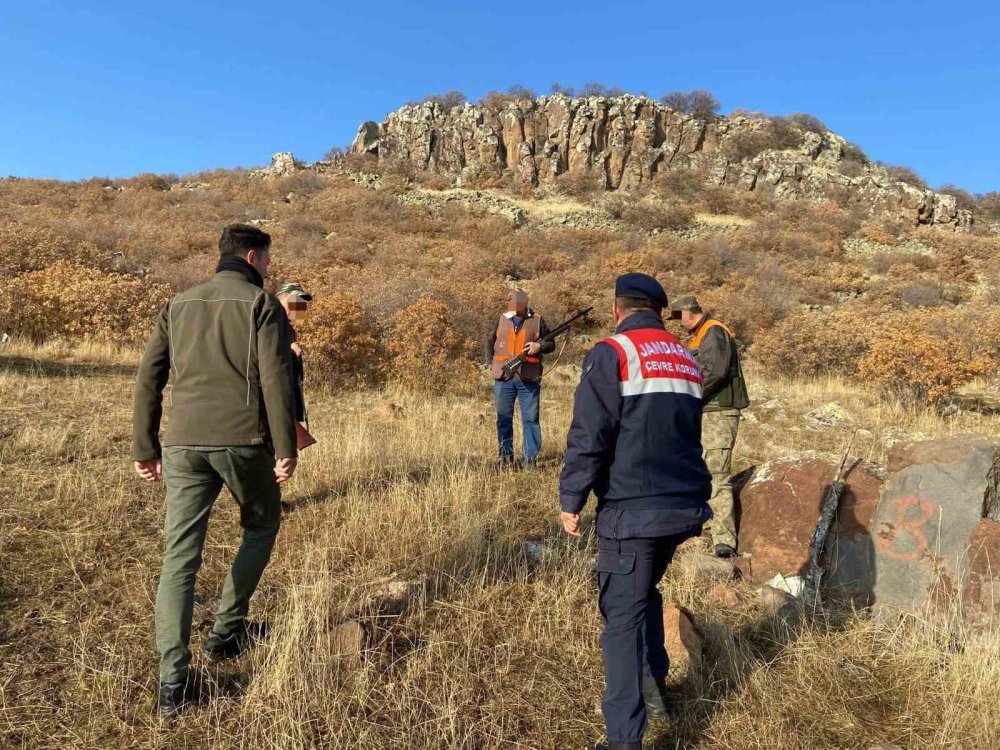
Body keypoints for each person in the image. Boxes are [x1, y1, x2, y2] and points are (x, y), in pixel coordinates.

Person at [133, 223, 298, 717]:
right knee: (263, 523)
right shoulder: (261, 304)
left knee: (179, 556)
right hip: (243, 438)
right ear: (252, 256)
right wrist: (286, 446)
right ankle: (227, 631)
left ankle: (172, 684)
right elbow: (275, 380)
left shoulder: (178, 303)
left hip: (181, 441)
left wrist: (146, 446)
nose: (269, 268)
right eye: (267, 260)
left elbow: (148, 377)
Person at [559, 273, 712, 750]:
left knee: (621, 619)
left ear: (616, 310)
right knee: (644, 592)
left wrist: (571, 498)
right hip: (682, 507)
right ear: (661, 312)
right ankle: (655, 686)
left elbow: (591, 433)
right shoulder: (686, 357)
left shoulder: (614, 352)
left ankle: (623, 739)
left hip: (633, 510)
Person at [669, 295, 749, 559]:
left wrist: (688, 395)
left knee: (717, 474)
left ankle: (724, 539)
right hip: (706, 411)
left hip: (719, 411)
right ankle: (705, 524)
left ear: (688, 312)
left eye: (678, 317)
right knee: (701, 470)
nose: (678, 324)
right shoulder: (701, 334)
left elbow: (714, 372)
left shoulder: (713, 331)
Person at [484, 288, 554, 469]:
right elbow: (489, 341)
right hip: (503, 377)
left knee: (530, 419)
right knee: (503, 419)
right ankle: (505, 460)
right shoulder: (501, 319)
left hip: (528, 377)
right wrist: (488, 362)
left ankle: (529, 461)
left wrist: (540, 346)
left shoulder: (538, 320)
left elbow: (551, 343)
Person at [275, 282, 316, 449]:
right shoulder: (272, 323)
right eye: (298, 301)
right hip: (274, 405)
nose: (303, 307)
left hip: (285, 402)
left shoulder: (288, 327)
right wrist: (287, 350)